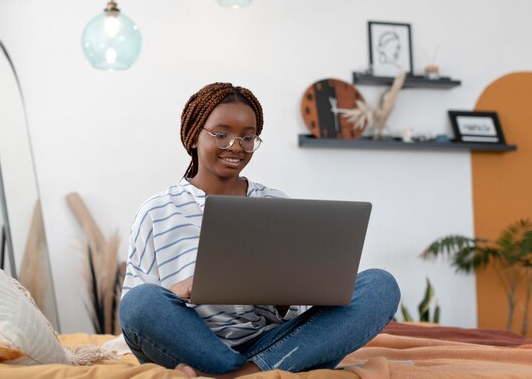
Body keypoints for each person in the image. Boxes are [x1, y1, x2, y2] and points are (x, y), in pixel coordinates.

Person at [119, 82, 400, 378]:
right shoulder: (157, 211)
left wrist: (285, 295)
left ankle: (237, 375)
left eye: (248, 137)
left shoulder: (275, 204)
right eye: (221, 134)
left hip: (271, 343)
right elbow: (135, 312)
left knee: (381, 286)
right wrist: (184, 288)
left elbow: (298, 315)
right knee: (140, 303)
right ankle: (254, 372)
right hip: (193, 345)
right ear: (193, 136)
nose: (236, 146)